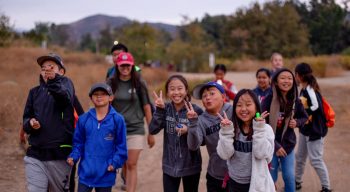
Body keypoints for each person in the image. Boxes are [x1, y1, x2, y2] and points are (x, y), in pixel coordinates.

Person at [22, 53, 75, 191]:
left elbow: (64, 98)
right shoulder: (34, 92)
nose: (46, 70)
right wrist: (30, 123)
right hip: (36, 154)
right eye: (44, 68)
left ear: (61, 71)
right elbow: (26, 119)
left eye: (51, 67)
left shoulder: (67, 85)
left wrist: (53, 81)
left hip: (59, 155)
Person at [107, 52, 155, 192]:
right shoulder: (111, 83)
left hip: (135, 129)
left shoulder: (139, 83)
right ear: (117, 66)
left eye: (128, 65)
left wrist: (151, 132)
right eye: (122, 65)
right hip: (116, 130)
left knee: (132, 163)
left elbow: (147, 107)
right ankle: (127, 184)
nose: (125, 68)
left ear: (132, 66)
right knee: (124, 164)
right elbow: (103, 105)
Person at [67, 83, 128, 192]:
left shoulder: (118, 120)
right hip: (85, 174)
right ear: (91, 98)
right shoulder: (83, 119)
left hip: (106, 174)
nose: (99, 96)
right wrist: (74, 156)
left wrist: (114, 163)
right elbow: (78, 143)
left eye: (103, 94)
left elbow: (121, 147)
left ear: (111, 97)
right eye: (96, 94)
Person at [149, 75, 203, 192]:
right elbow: (152, 130)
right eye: (172, 89)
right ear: (167, 92)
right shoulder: (165, 108)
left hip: (191, 166)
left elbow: (202, 139)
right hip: (169, 166)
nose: (176, 92)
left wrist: (188, 129)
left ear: (186, 90)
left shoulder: (196, 110)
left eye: (180, 88)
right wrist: (159, 111)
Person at [216, 89, 275, 192]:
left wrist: (259, 129)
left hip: (257, 184)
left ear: (256, 106)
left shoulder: (266, 129)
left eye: (248, 104)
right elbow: (224, 155)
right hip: (234, 182)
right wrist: (225, 132)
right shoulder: (231, 129)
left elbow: (261, 154)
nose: (243, 109)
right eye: (239, 105)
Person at [261, 68, 308, 192]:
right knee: (271, 177)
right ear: (275, 82)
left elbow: (304, 117)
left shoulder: (295, 101)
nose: (286, 81)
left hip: (288, 145)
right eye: (283, 78)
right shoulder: (268, 100)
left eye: (289, 78)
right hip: (271, 146)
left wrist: (297, 122)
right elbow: (261, 124)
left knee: (289, 177)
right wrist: (276, 146)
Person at [187, 81, 232, 192]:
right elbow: (193, 146)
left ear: (223, 96)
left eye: (212, 93)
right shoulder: (201, 120)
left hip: (237, 175)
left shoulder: (233, 110)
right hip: (215, 176)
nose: (207, 98)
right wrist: (192, 124)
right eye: (204, 96)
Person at [294, 63, 332, 192]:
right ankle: (297, 182)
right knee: (300, 157)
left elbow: (315, 106)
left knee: (315, 160)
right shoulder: (304, 88)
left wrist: (305, 113)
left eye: (295, 74)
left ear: (299, 75)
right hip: (306, 130)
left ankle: (326, 188)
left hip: (314, 131)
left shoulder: (310, 89)